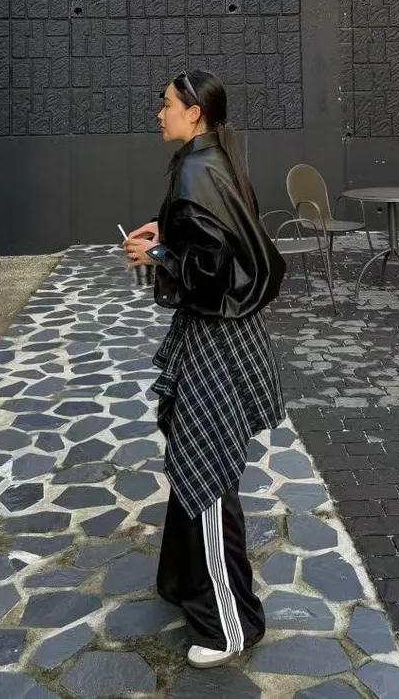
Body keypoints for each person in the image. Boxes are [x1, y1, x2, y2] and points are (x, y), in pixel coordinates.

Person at [123, 70, 286, 670]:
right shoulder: (214, 159)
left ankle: (231, 624)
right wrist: (166, 231)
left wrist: (158, 253)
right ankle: (182, 580)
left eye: (166, 104)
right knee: (196, 458)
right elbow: (219, 239)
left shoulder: (198, 169)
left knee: (208, 470)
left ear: (194, 112)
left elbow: (213, 272)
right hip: (219, 332)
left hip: (216, 337)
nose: (159, 112)